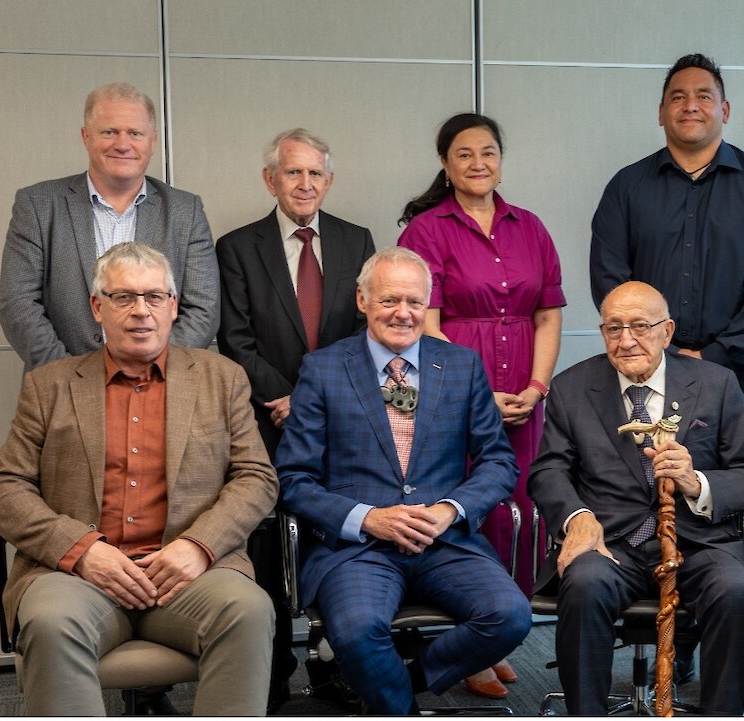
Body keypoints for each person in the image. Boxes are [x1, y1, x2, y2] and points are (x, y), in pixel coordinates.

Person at [0, 242, 278, 715]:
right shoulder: (49, 385)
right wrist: (81, 551)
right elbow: (3, 489)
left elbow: (256, 477)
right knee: (51, 622)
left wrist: (198, 545)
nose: (141, 312)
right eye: (124, 298)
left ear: (174, 306)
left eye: (155, 297)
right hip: (79, 579)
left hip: (187, 577)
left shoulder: (222, 379)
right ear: (97, 307)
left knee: (248, 610)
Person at [276, 247, 532, 715]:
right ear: (362, 300)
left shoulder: (460, 365)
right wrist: (368, 519)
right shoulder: (323, 369)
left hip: (445, 540)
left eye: (415, 302)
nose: (403, 313)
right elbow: (294, 478)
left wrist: (447, 511)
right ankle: (401, 708)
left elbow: (498, 462)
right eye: (390, 299)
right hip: (357, 548)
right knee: (355, 632)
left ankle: (395, 684)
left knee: (511, 617)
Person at [528, 281, 744, 715]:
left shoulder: (716, 384)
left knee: (735, 589)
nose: (626, 341)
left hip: (698, 540)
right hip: (609, 541)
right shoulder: (571, 387)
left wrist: (697, 482)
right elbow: (547, 471)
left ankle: (724, 712)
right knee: (584, 584)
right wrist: (577, 517)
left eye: (640, 326)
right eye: (614, 328)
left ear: (667, 331)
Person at [397, 113, 564, 699]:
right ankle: (465, 642)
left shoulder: (531, 227)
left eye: (488, 152)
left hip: (523, 388)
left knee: (518, 506)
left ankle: (497, 635)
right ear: (445, 163)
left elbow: (547, 314)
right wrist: (478, 393)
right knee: (465, 506)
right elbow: (425, 323)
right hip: (453, 387)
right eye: (464, 154)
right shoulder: (426, 230)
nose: (477, 163)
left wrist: (537, 388)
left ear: (501, 159)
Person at [216, 129, 375, 709]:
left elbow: (368, 335)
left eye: (315, 174)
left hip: (343, 424)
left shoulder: (357, 241)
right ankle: (275, 669)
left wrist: (313, 401)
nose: (304, 183)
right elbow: (234, 340)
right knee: (268, 549)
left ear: (328, 181)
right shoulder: (237, 247)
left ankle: (334, 660)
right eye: (292, 173)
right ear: (270, 180)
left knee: (340, 540)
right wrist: (286, 398)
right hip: (263, 424)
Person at [589, 53, 744, 454]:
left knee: (737, 496)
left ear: (724, 110)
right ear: (660, 112)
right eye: (678, 97)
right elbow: (609, 278)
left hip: (740, 373)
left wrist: (717, 354)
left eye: (704, 96)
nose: (690, 105)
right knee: (640, 492)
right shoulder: (626, 188)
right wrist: (652, 346)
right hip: (642, 369)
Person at [0, 81, 218, 371]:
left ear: (152, 140)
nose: (122, 144)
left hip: (161, 390)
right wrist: (71, 376)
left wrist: (150, 374)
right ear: (86, 136)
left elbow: (204, 308)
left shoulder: (184, 210)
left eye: (135, 133)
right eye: (109, 132)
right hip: (62, 387)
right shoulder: (38, 204)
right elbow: (17, 303)